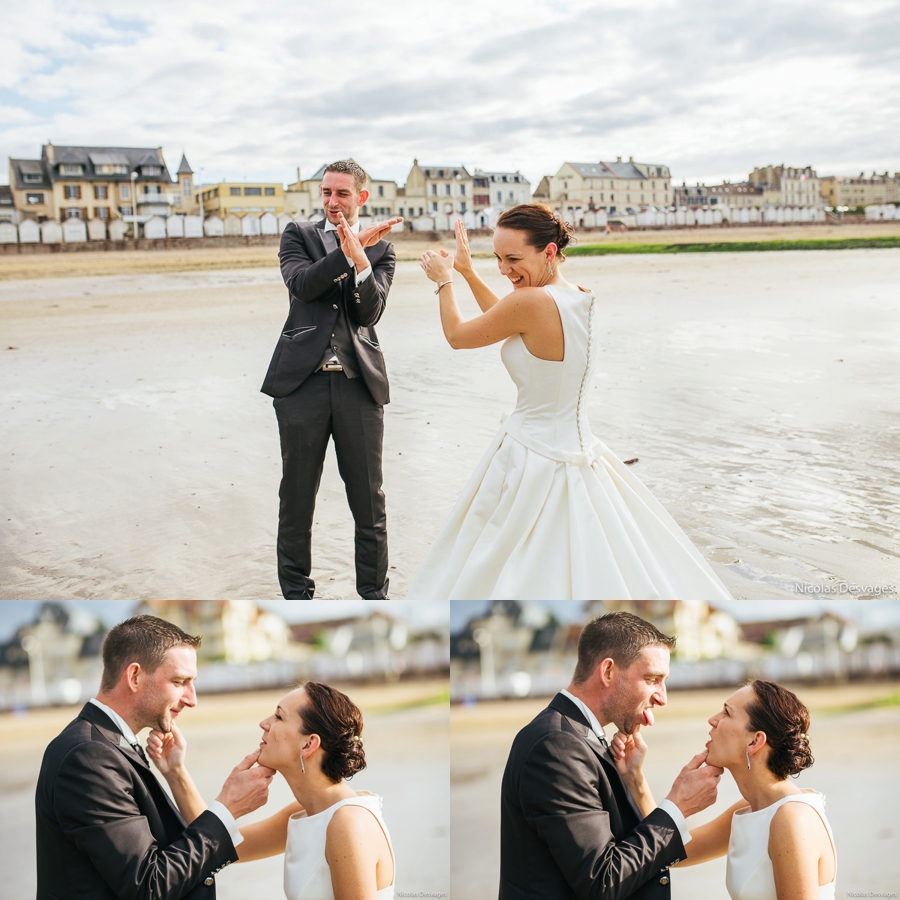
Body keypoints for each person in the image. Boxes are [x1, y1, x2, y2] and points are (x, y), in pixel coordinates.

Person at [409, 205, 733, 599]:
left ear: (548, 251)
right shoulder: (576, 296)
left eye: (513, 259)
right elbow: (505, 317)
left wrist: (444, 281)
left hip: (532, 455)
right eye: (497, 258)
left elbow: (460, 335)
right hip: (578, 447)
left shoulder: (530, 302)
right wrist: (468, 271)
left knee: (503, 561)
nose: (504, 269)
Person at [35, 615, 275, 900]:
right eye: (180, 681)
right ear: (134, 676)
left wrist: (175, 773)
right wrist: (228, 807)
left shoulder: (106, 743)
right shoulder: (89, 757)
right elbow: (148, 885)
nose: (191, 699)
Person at [499, 611, 724, 899]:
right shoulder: (557, 746)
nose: (662, 697)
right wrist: (677, 807)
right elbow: (601, 881)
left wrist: (633, 779)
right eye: (653, 679)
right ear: (608, 672)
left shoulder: (576, 736)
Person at [261, 159, 402, 599]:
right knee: (297, 500)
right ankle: (297, 594)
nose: (332, 201)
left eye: (342, 193)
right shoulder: (297, 236)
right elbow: (303, 285)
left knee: (369, 503)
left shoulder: (383, 249)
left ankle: (374, 595)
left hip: (359, 387)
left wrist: (361, 255)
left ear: (361, 196)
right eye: (326, 192)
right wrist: (346, 251)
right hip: (301, 387)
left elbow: (369, 312)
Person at [147, 681, 394, 900]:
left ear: (309, 744)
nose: (263, 723)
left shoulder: (349, 823)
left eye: (278, 716)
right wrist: (175, 771)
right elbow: (221, 840)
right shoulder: (306, 812)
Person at [612, 680, 836, 900]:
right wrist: (634, 776)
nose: (712, 720)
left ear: (754, 741)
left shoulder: (792, 819)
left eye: (727, 713)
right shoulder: (751, 809)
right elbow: (675, 852)